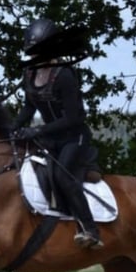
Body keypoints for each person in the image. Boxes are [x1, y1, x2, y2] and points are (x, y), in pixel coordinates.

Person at [12, 18, 103, 250]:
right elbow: (28, 107)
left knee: (63, 175)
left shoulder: (64, 75)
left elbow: (73, 118)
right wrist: (11, 129)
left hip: (75, 137)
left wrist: (37, 129)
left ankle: (90, 229)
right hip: (52, 137)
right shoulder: (30, 74)